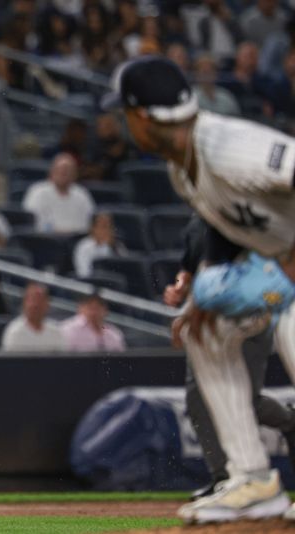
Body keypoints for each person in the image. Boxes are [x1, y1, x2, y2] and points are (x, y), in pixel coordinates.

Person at [102, 55, 295, 523]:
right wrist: (202, 296)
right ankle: (251, 479)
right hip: (276, 271)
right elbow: (229, 225)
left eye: (125, 114)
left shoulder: (227, 146)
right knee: (204, 330)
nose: (123, 123)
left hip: (286, 271)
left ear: (143, 116)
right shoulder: (182, 166)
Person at [164, 215, 295, 501]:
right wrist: (178, 286)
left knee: (245, 400)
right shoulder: (198, 224)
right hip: (207, 315)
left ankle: (287, 422)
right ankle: (224, 477)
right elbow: (189, 267)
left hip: (251, 305)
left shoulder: (238, 213)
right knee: (199, 399)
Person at [22, 152, 95, 234]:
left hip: (75, 240)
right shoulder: (37, 191)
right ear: (52, 172)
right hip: (45, 240)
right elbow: (31, 222)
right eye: (60, 170)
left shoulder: (82, 194)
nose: (63, 173)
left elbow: (89, 223)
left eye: (68, 171)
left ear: (75, 175)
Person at [1, 282, 65, 352]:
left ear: (47, 304)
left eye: (40, 299)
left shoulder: (55, 331)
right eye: (32, 299)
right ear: (24, 303)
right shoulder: (15, 332)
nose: (36, 304)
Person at [59, 292, 126, 353]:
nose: (93, 312)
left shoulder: (113, 333)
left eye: (97, 308)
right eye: (90, 308)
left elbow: (122, 359)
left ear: (106, 311)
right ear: (80, 308)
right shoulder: (68, 328)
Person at [72, 212, 127, 279]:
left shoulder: (116, 245)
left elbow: (125, 269)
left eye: (110, 226)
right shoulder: (84, 247)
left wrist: (113, 247)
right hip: (92, 282)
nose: (107, 230)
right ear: (93, 229)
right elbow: (83, 273)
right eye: (103, 226)